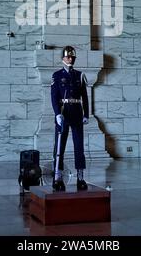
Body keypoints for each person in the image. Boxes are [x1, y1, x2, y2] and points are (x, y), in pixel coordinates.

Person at [51, 45, 89, 192]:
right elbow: (54, 97)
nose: (70, 59)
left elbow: (85, 97)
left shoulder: (79, 75)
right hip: (63, 112)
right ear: (62, 58)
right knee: (60, 147)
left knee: (79, 146)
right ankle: (58, 177)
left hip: (77, 113)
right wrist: (57, 114)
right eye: (68, 56)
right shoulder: (57, 75)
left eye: (72, 57)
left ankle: (80, 177)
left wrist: (86, 115)